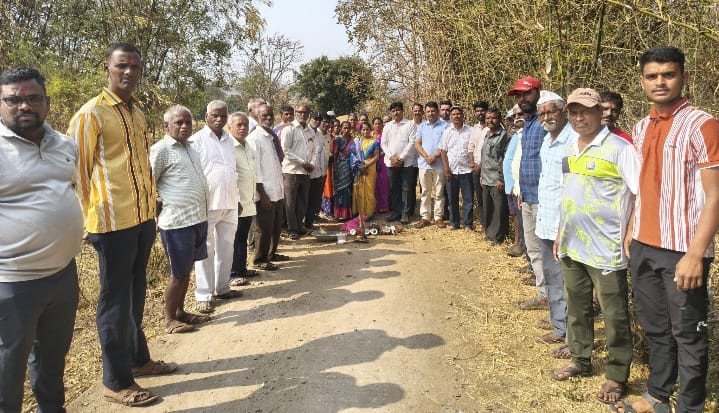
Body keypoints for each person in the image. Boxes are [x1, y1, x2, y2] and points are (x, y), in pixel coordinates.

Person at [68, 43, 174, 406]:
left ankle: (137, 358)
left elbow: (141, 165)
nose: (128, 72)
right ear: (107, 69)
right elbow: (77, 174)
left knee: (135, 295)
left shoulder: (136, 113)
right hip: (111, 224)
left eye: (135, 67)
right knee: (114, 302)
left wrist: (152, 204)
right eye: (121, 66)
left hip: (141, 218)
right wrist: (84, 220)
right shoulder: (91, 114)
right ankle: (115, 381)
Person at [615, 46, 719, 413]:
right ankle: (658, 395)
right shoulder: (641, 127)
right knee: (657, 328)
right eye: (652, 76)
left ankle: (690, 406)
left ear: (683, 77)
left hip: (682, 249)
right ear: (642, 82)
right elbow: (642, 186)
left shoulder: (703, 125)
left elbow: (715, 194)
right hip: (644, 244)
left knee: (688, 334)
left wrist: (696, 254)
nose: (660, 82)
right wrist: (632, 228)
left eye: (668, 74)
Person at [0, 67, 83, 412]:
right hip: (12, 282)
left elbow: (69, 189)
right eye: (13, 100)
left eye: (33, 98)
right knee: (8, 368)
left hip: (62, 275)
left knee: (52, 360)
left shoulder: (64, 144)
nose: (24, 106)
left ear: (47, 103)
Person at [548, 88, 638, 409]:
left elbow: (640, 193)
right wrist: (560, 232)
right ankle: (580, 359)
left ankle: (616, 373)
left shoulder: (620, 149)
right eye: (573, 112)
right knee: (577, 306)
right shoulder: (569, 149)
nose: (579, 118)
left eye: (585, 111)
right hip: (573, 244)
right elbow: (568, 193)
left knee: (614, 313)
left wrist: (630, 232)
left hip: (607, 247)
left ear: (601, 112)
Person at [150, 105, 211, 334]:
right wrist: (154, 210)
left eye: (188, 122)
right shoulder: (161, 149)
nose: (185, 126)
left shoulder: (191, 148)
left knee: (187, 271)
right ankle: (169, 320)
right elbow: (148, 183)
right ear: (167, 126)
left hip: (197, 218)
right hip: (177, 223)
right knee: (178, 273)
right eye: (179, 123)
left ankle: (180, 312)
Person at [188, 100, 243, 314]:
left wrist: (237, 199)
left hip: (229, 201)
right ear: (206, 117)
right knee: (205, 249)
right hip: (207, 204)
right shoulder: (196, 141)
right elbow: (192, 174)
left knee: (226, 247)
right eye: (215, 115)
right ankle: (204, 294)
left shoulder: (229, 140)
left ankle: (222, 287)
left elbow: (231, 171)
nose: (219, 119)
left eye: (223, 116)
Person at [534, 91, 576, 353]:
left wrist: (564, 226)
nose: (546, 117)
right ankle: (559, 327)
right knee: (552, 278)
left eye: (551, 112)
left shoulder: (574, 140)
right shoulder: (546, 141)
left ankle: (574, 339)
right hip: (546, 222)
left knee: (571, 284)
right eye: (542, 113)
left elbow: (572, 188)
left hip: (566, 226)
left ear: (563, 112)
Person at [508, 77, 548, 311]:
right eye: (519, 96)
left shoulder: (546, 123)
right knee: (533, 249)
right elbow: (526, 161)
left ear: (538, 93)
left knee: (548, 252)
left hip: (545, 199)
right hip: (527, 196)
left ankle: (556, 300)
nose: (522, 99)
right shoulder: (528, 124)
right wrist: (521, 189)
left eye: (526, 94)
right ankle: (544, 295)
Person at [246, 104, 285, 271]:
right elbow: (254, 170)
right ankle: (259, 259)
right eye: (264, 115)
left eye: (270, 115)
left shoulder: (269, 136)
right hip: (265, 192)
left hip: (276, 190)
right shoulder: (254, 138)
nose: (268, 118)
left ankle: (271, 254)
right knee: (263, 228)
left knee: (275, 227)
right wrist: (262, 194)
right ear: (257, 117)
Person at [229, 112, 262, 283]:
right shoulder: (228, 147)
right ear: (230, 127)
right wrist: (235, 199)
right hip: (236, 201)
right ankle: (234, 273)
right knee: (234, 239)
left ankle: (241, 268)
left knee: (242, 237)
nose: (243, 128)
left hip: (248, 200)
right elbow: (229, 176)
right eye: (238, 125)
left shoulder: (248, 145)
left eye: (245, 125)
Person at [280, 103, 314, 239]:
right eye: (300, 112)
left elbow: (314, 150)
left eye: (305, 112)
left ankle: (300, 226)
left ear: (308, 114)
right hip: (291, 171)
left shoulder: (310, 131)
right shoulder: (289, 129)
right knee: (290, 202)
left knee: (302, 202)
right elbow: (285, 150)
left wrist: (311, 164)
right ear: (295, 113)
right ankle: (292, 229)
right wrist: (302, 162)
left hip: (305, 172)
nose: (302, 114)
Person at [381, 101, 418, 224]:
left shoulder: (410, 124)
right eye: (393, 111)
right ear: (391, 113)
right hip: (391, 162)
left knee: (406, 188)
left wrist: (401, 158)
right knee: (394, 188)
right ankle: (396, 212)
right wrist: (391, 157)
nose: (396, 112)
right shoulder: (388, 126)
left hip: (406, 162)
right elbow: (383, 143)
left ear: (402, 111)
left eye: (398, 110)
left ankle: (405, 214)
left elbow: (412, 142)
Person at [414, 101, 448, 228]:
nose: (430, 113)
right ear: (425, 113)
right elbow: (417, 144)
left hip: (439, 164)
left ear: (437, 112)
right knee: (425, 192)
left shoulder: (445, 126)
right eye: (428, 111)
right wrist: (426, 156)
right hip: (424, 164)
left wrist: (435, 155)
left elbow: (446, 144)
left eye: (433, 111)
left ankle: (438, 217)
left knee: (439, 192)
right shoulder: (422, 126)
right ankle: (425, 217)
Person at [440, 106, 474, 231]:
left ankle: (468, 224)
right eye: (453, 114)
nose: (456, 116)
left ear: (463, 115)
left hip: (467, 170)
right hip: (452, 171)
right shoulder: (447, 131)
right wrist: (446, 169)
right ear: (450, 117)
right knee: (452, 199)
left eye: (458, 114)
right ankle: (454, 223)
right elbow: (443, 151)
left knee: (468, 199)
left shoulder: (470, 131)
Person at [478, 108, 509, 244]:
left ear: (499, 119)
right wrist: (481, 176)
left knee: (499, 210)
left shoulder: (504, 136)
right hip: (486, 178)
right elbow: (484, 157)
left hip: (497, 179)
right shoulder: (486, 134)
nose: (490, 121)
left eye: (493, 118)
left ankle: (498, 237)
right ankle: (489, 234)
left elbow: (504, 159)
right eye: (488, 118)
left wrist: (501, 178)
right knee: (488, 208)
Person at [352, 121, 380, 219]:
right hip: (358, 167)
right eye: (363, 129)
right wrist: (360, 166)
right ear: (360, 131)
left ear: (370, 130)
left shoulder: (374, 142)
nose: (365, 131)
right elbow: (353, 155)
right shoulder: (356, 141)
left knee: (369, 190)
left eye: (367, 129)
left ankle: (369, 213)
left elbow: (376, 157)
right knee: (358, 189)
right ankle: (359, 212)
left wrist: (366, 165)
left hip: (370, 168)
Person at [468, 100, 490, 218]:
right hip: (475, 169)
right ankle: (484, 223)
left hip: (488, 169)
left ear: (487, 111)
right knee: (480, 198)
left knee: (489, 198)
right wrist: (472, 164)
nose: (480, 113)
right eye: (477, 111)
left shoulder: (492, 127)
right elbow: (470, 147)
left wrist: (480, 166)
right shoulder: (475, 128)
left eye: (482, 110)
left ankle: (492, 224)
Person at [304, 112, 326, 230]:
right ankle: (300, 224)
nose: (317, 121)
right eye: (315, 119)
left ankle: (309, 223)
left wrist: (322, 172)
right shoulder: (305, 132)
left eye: (319, 119)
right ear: (310, 118)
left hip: (317, 173)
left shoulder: (319, 134)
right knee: (304, 199)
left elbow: (320, 155)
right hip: (306, 172)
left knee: (314, 199)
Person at [333, 121, 357, 220]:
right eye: (344, 128)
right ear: (341, 128)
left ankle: (347, 214)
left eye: (348, 128)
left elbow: (355, 154)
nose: (346, 130)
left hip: (349, 168)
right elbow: (334, 155)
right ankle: (338, 214)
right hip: (339, 167)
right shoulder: (337, 140)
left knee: (348, 191)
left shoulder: (353, 140)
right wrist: (335, 170)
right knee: (339, 191)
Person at [372, 117, 390, 213]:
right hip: (371, 162)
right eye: (376, 123)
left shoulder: (384, 135)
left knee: (383, 184)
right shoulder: (370, 135)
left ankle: (384, 205)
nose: (378, 125)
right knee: (374, 184)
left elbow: (387, 149)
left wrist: (378, 155)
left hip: (382, 162)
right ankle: (374, 205)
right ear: (373, 125)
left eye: (379, 123)